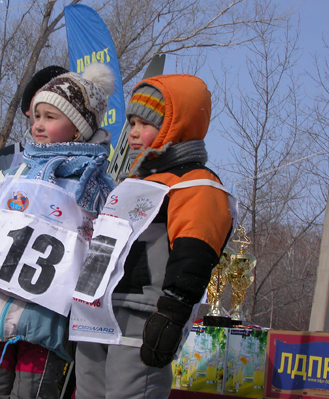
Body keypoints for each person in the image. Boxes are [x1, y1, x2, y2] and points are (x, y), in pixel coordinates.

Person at [0, 62, 117, 399]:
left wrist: (89, 319)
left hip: (45, 326)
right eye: (35, 117)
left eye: (49, 117)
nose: (38, 125)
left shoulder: (96, 191)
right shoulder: (10, 178)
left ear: (77, 129)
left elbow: (104, 257)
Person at [72, 74, 235, 399]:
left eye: (143, 123)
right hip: (95, 312)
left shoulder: (196, 184)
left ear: (176, 125)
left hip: (142, 316)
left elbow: (194, 254)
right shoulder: (131, 183)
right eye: (130, 122)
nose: (131, 132)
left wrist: (172, 312)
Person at [0, 65, 68, 174]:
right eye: (40, 97)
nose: (48, 105)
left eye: (57, 100)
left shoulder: (92, 161)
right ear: (28, 110)